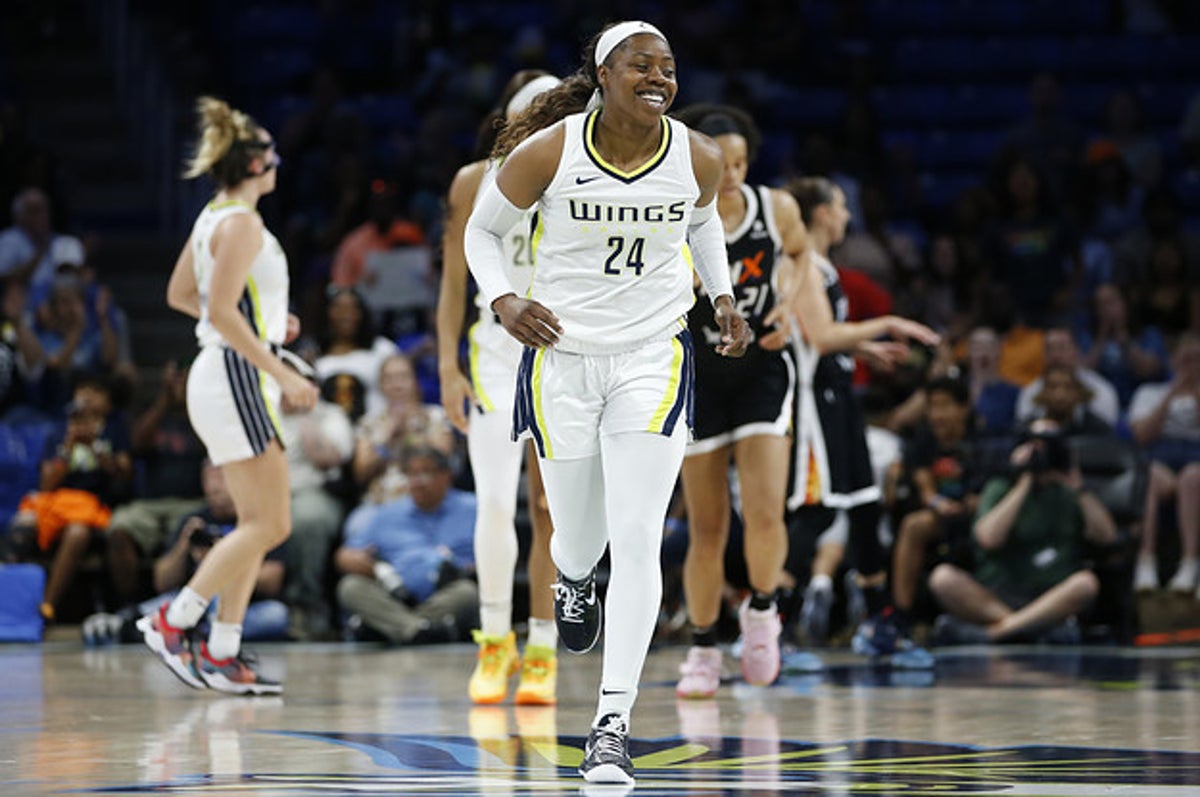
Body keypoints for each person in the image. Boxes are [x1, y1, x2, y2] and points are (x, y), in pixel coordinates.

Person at [464, 21, 750, 786]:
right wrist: (501, 300)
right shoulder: (552, 149)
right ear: (604, 72)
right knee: (575, 538)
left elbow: (701, 225)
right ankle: (573, 577)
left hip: (652, 358)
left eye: (669, 66)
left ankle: (611, 724)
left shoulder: (698, 155)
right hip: (561, 357)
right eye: (642, 64)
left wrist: (720, 297)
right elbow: (482, 233)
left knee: (638, 535)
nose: (660, 76)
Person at [136, 96, 318, 696]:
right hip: (237, 374)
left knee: (256, 523)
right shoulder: (243, 223)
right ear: (258, 165)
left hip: (221, 370)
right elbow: (214, 309)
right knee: (272, 522)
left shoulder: (214, 216)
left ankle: (221, 651)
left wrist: (264, 320)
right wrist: (281, 367)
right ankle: (174, 619)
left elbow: (180, 294)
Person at [666, 103, 808, 698]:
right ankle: (702, 646)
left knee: (766, 510)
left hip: (760, 371)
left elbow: (799, 254)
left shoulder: (775, 209)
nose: (732, 175)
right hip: (699, 373)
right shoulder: (674, 216)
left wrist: (787, 303)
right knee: (706, 528)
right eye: (723, 164)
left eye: (742, 163)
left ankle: (762, 611)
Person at [437, 70, 563, 707]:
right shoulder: (473, 181)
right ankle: (494, 642)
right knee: (491, 503)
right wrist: (446, 366)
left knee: (548, 510)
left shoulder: (572, 171)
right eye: (532, 115)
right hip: (490, 351)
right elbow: (453, 285)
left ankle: (542, 649)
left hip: (558, 351)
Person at [786, 176, 939, 661]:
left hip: (840, 398)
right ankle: (769, 626)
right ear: (822, 214)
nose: (848, 215)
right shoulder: (803, 264)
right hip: (815, 403)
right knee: (817, 512)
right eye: (842, 207)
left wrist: (866, 346)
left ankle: (880, 624)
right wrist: (887, 324)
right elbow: (822, 337)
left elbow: (822, 333)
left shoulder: (822, 267)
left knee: (866, 509)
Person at [927, 420, 1117, 645]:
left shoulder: (1070, 493)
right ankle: (1030, 629)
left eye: (1049, 447)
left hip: (1052, 594)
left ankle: (995, 634)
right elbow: (988, 539)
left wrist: (1077, 486)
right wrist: (1024, 480)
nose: (1041, 454)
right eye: (1035, 446)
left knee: (1086, 583)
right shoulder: (1000, 487)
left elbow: (1108, 537)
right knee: (942, 578)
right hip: (997, 593)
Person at [83, 460, 290, 647]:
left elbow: (273, 580)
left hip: (244, 605)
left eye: (221, 475)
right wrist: (184, 546)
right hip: (193, 600)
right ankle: (124, 623)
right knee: (173, 599)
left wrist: (225, 560)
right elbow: (162, 580)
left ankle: (179, 629)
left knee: (276, 615)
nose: (216, 484)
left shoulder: (259, 520)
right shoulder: (194, 521)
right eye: (210, 475)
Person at [334, 446, 477, 645]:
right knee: (350, 587)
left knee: (467, 593)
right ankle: (418, 630)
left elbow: (495, 556)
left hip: (444, 594)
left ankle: (391, 628)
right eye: (412, 474)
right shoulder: (387, 514)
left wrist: (466, 567)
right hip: (393, 594)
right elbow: (345, 555)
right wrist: (355, 561)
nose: (418, 481)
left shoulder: (473, 509)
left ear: (446, 476)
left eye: (426, 472)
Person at [13, 387, 132, 621]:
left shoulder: (113, 431)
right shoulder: (58, 434)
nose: (81, 418)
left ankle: (46, 607)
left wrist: (94, 446)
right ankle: (10, 606)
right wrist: (68, 447)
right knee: (21, 526)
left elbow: (123, 475)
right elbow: (46, 484)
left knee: (77, 533)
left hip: (92, 505)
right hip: (56, 503)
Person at [103, 361, 205, 607]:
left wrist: (190, 397)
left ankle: (183, 605)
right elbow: (137, 443)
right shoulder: (152, 410)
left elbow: (210, 443)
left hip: (191, 502)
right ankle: (127, 605)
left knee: (193, 531)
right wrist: (165, 398)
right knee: (119, 528)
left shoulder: (204, 411)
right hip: (149, 504)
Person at [1128, 332, 1200, 593]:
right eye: (1185, 360)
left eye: (1197, 361)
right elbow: (1142, 436)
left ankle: (1190, 562)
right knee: (1148, 474)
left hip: (1196, 459)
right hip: (1161, 457)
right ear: (1172, 362)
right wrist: (1172, 395)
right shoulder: (1150, 392)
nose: (1190, 367)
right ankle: (1145, 560)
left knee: (1192, 478)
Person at [1015, 327, 1120, 428]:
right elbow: (1025, 430)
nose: (1055, 355)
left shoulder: (1100, 391)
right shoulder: (1031, 392)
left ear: (1076, 351)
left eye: (1062, 348)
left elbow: (1105, 434)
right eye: (1049, 349)